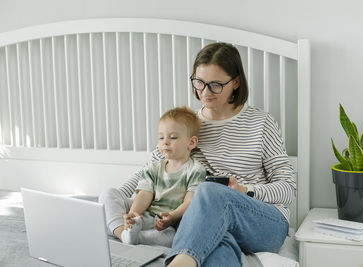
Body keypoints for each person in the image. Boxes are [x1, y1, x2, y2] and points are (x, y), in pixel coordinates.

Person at [108, 42, 295, 266]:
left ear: (235, 82)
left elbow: (288, 189)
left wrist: (245, 191)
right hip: (210, 221)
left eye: (215, 85)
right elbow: (149, 172)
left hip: (264, 222)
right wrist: (115, 200)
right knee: (215, 243)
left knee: (208, 190)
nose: (204, 92)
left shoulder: (261, 122)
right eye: (199, 83)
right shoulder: (187, 126)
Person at [99, 106, 206, 247]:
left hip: (166, 223)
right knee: (108, 194)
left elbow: (189, 201)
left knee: (171, 238)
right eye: (161, 137)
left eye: (172, 137)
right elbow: (144, 194)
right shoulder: (154, 167)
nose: (165, 142)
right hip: (146, 213)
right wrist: (133, 215)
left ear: (191, 142)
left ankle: (134, 236)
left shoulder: (195, 169)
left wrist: (171, 217)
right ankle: (122, 232)